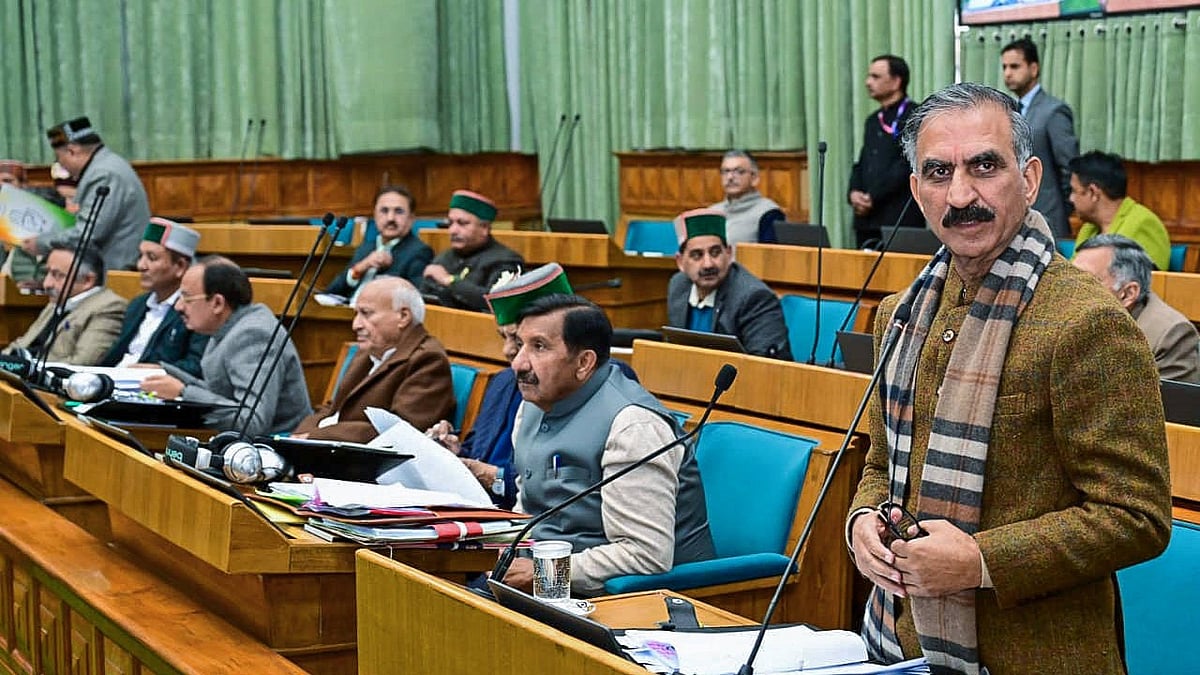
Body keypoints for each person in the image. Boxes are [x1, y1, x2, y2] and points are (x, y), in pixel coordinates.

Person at [846, 83, 1171, 673]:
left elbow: (1136, 516)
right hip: (897, 647)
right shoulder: (900, 313)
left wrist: (980, 560)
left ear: (1029, 179)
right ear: (916, 190)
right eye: (939, 172)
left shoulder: (1086, 323)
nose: (961, 194)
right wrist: (864, 522)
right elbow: (879, 463)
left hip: (1037, 655)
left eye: (984, 166)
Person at [500, 294, 714, 597]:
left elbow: (645, 556)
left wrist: (544, 575)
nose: (519, 363)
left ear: (584, 362)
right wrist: (502, 549)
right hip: (547, 588)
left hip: (640, 604)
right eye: (520, 344)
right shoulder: (533, 405)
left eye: (539, 347)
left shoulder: (633, 426)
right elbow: (531, 508)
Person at [426, 263, 641, 509]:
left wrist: (487, 475)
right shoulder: (503, 380)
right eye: (503, 337)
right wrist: (453, 450)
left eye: (526, 342)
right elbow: (477, 450)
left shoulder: (597, 382)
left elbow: (562, 490)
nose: (508, 352)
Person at [140, 256, 311, 437]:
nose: (178, 306)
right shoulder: (227, 326)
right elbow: (220, 393)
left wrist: (183, 392)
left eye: (187, 298)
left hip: (275, 448)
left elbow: (252, 422)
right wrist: (164, 372)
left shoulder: (253, 335)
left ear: (217, 303)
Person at [293, 277, 455, 443]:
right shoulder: (369, 351)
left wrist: (315, 437)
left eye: (366, 313)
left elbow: (399, 431)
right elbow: (333, 408)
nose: (356, 325)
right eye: (356, 314)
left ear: (403, 316)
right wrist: (302, 434)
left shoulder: (427, 359)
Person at [28, 117, 151, 273]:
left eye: (59, 158)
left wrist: (41, 243)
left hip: (118, 271)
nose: (61, 165)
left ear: (72, 151)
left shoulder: (103, 174)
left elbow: (87, 234)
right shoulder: (106, 165)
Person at [666, 208, 791, 359]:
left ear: (729, 253)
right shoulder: (678, 286)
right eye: (697, 255)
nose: (708, 264)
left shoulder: (754, 298)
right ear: (680, 262)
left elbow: (764, 367)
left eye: (715, 252)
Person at [1074, 234, 1200, 383]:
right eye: (1071, 278)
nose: (1072, 290)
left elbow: (1168, 404)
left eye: (1086, 281)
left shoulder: (1169, 336)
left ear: (1127, 294)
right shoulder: (1064, 317)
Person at [100, 218, 208, 376]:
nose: (141, 266)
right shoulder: (138, 304)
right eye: (140, 256)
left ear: (180, 266)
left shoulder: (196, 309)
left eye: (152, 258)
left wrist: (158, 370)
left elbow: (197, 366)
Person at [1001, 38, 1078, 238]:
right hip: (1013, 218)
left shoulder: (1054, 111)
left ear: (1034, 69)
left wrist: (1065, 208)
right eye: (1004, 67)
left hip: (1048, 216)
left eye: (1015, 66)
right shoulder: (1008, 111)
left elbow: (1069, 166)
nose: (1007, 73)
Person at [5, 242, 126, 365]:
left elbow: (82, 362)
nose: (47, 284)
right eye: (47, 273)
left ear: (87, 280)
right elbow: (22, 344)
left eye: (57, 275)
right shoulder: (57, 301)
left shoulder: (108, 307)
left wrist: (27, 369)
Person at [848, 55, 925, 248]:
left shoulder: (916, 116)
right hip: (867, 218)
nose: (868, 82)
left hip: (898, 217)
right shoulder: (873, 120)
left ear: (896, 81)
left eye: (875, 77)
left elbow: (906, 165)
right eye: (869, 76)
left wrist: (873, 196)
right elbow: (862, 162)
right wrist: (853, 192)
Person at [420, 189, 523, 311]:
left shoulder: (505, 260)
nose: (453, 230)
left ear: (484, 228)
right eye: (450, 223)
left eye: (462, 223)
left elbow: (496, 302)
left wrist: (449, 280)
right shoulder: (444, 257)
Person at [324, 185, 434, 299]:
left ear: (411, 218)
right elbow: (332, 291)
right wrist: (360, 268)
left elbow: (415, 299)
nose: (390, 218)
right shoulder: (366, 247)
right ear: (375, 215)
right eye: (384, 211)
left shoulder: (418, 252)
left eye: (399, 211)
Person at [1069, 151, 1171, 271]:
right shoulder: (1089, 228)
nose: (1071, 198)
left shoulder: (1143, 222)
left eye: (1074, 191)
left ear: (1093, 192)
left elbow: (1146, 281)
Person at [708, 150, 783, 246]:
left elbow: (771, 257)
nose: (730, 177)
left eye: (739, 171)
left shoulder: (769, 213)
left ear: (754, 178)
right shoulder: (712, 212)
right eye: (725, 171)